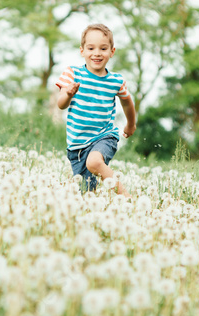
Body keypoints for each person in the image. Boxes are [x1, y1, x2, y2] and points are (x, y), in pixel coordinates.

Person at [55, 23, 136, 196]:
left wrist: (130, 124)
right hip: (77, 146)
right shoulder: (72, 74)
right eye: (91, 48)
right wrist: (68, 93)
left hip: (104, 136)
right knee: (86, 193)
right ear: (82, 50)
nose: (97, 53)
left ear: (112, 52)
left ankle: (129, 199)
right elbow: (61, 104)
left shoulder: (116, 80)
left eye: (103, 48)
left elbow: (127, 102)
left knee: (94, 162)